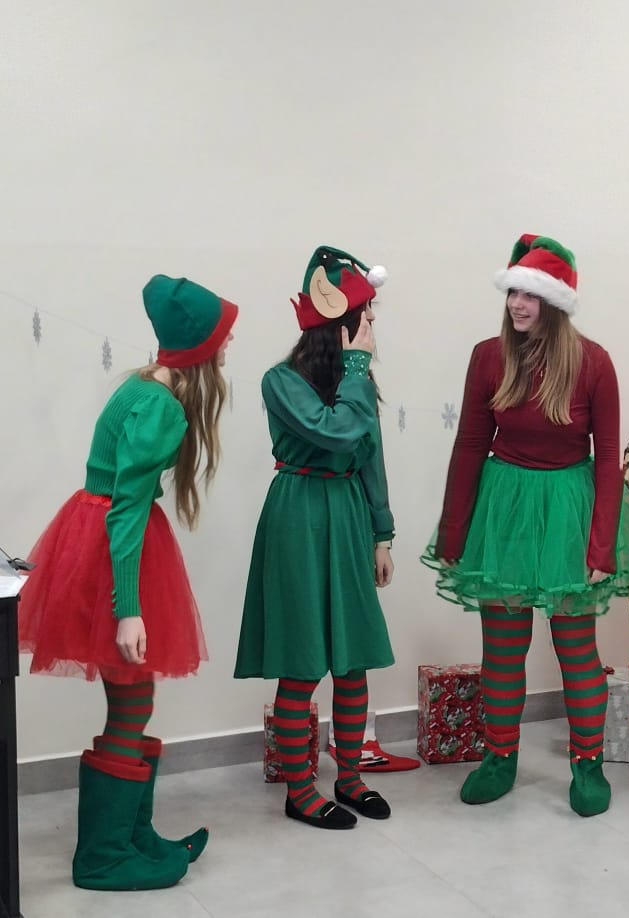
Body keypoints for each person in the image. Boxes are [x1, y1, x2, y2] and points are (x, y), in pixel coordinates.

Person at [423, 234, 629, 817]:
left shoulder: (594, 362)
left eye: (529, 295)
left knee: (575, 649)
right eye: (512, 293)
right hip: (505, 508)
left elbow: (608, 458)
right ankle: (499, 757)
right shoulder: (488, 357)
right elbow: (471, 443)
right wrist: (455, 529)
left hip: (566, 511)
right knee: (503, 649)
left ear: (554, 302)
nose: (517, 305)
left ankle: (587, 765)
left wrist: (600, 544)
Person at [18, 275, 237, 889]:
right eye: (223, 336)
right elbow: (127, 508)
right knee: (134, 699)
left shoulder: (142, 385)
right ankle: (104, 856)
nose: (228, 346)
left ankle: (132, 837)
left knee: (133, 698)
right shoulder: (163, 406)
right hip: (115, 551)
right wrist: (128, 607)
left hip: (98, 539)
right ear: (200, 344)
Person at [235, 246, 395, 830]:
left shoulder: (358, 380)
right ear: (337, 321)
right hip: (299, 515)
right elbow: (336, 432)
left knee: (353, 661)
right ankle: (299, 790)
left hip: (348, 512)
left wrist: (382, 534)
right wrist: (355, 372)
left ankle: (349, 777)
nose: (372, 322)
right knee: (302, 661)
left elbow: (369, 454)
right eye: (365, 312)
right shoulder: (280, 381)